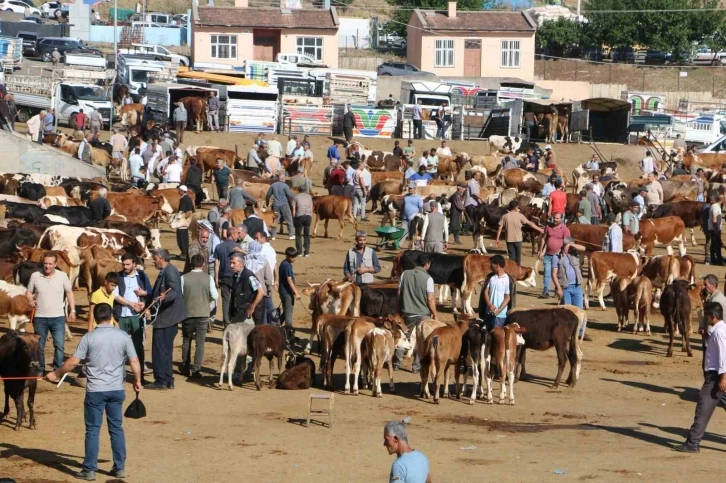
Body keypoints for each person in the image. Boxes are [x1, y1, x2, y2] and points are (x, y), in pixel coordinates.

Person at [44, 303, 142, 481]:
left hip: (96, 391)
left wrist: (55, 373)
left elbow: (73, 362)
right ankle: (119, 468)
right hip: (116, 389)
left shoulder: (89, 338)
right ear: (111, 317)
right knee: (116, 428)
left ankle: (89, 470)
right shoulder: (123, 336)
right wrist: (137, 380)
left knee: (93, 430)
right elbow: (134, 361)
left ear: (95, 318)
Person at [674, 302, 726, 453]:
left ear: (713, 316)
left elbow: (724, 357)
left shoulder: (719, 333)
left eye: (707, 316)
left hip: (717, 377)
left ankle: (692, 443)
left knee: (703, 407)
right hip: (717, 376)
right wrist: (706, 335)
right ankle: (692, 442)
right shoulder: (719, 330)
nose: (705, 318)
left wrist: (723, 378)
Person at [25, 252, 75, 373]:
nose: (47, 266)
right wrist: (30, 299)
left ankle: (57, 370)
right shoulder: (35, 276)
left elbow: (69, 293)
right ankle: (40, 369)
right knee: (40, 346)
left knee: (59, 345)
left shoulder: (62, 276)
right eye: (45, 263)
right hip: (40, 317)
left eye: (50, 264)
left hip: (58, 317)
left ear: (55, 264)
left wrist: (72, 310)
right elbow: (28, 291)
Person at [146, 248, 186, 390]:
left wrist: (165, 297)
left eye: (155, 258)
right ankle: (168, 379)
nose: (153, 261)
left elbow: (174, 291)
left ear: (162, 258)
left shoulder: (170, 271)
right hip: (168, 318)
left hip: (166, 318)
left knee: (160, 350)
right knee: (166, 350)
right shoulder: (167, 270)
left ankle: (161, 380)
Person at [181, 254, 218, 379]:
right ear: (203, 264)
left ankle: (185, 366)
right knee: (200, 343)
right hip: (203, 314)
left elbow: (180, 295)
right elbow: (215, 296)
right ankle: (196, 369)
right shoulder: (208, 278)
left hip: (187, 313)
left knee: (186, 340)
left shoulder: (184, 278)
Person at [113, 253, 151, 375]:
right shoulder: (118, 277)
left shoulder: (142, 276)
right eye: (123, 264)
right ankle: (121, 375)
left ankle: (140, 374)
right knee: (120, 347)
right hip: (121, 316)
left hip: (137, 317)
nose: (125, 267)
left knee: (138, 346)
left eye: (128, 264)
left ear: (134, 264)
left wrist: (144, 304)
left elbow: (149, 293)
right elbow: (115, 295)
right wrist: (131, 304)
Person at [397, 254, 436, 371]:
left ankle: (396, 363)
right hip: (423, 314)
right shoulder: (428, 279)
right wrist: (434, 312)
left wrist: (398, 309)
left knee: (403, 336)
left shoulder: (405, 274)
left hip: (407, 311)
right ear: (427, 264)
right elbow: (430, 299)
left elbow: (399, 294)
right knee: (421, 340)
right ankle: (416, 366)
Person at [496, 199, 544, 265]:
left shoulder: (504, 216)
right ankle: (518, 271)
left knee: (511, 257)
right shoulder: (520, 216)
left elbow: (500, 228)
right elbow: (530, 223)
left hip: (509, 240)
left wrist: (497, 239)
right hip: (518, 239)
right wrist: (540, 229)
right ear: (516, 207)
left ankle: (512, 272)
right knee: (518, 258)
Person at [538, 213, 571, 299]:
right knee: (547, 273)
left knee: (559, 274)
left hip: (558, 256)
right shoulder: (548, 227)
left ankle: (557, 290)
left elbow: (568, 243)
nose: (555, 220)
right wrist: (541, 251)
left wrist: (564, 253)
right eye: (554, 218)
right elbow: (544, 239)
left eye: (557, 218)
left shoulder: (565, 229)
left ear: (561, 219)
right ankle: (546, 291)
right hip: (548, 254)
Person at [229, 252, 265, 324]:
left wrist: (252, 307)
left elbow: (261, 292)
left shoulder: (249, 276)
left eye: (234, 263)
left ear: (241, 264)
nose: (231, 266)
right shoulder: (235, 276)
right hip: (241, 311)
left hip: (251, 313)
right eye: (231, 263)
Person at [479, 255, 512, 331]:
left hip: (500, 316)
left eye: (492, 264)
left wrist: (499, 310)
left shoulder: (507, 279)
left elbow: (507, 297)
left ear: (497, 265)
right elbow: (485, 292)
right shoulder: (491, 277)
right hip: (488, 313)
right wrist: (489, 304)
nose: (490, 266)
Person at [552, 236, 586, 309]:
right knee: (567, 311)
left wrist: (572, 244)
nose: (574, 247)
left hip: (577, 286)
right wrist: (558, 288)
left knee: (580, 310)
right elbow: (554, 274)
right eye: (571, 244)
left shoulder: (574, 253)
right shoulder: (557, 256)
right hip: (565, 287)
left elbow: (583, 248)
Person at [278, 247, 300, 327]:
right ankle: (288, 330)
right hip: (287, 292)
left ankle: (276, 325)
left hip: (283, 291)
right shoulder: (287, 265)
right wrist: (296, 292)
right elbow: (289, 280)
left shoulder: (284, 263)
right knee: (288, 312)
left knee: (286, 310)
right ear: (287, 256)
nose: (294, 259)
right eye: (292, 257)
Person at [293, 184, 313, 257]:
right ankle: (307, 252)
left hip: (299, 215)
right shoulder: (309, 197)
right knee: (307, 235)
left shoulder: (296, 197)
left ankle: (299, 251)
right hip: (308, 216)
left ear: (298, 190)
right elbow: (311, 207)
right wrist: (311, 216)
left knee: (298, 234)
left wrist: (294, 217)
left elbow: (294, 208)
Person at [176, 186, 195, 258]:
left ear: (182, 191)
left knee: (181, 237)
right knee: (184, 236)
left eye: (179, 190)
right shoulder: (188, 198)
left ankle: (184, 253)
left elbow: (182, 211)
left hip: (182, 221)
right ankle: (184, 252)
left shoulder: (184, 199)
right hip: (186, 221)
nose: (178, 191)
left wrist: (177, 218)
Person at [708, 194, 724, 266]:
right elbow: (714, 218)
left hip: (715, 228)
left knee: (714, 244)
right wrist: (716, 230)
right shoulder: (715, 207)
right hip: (715, 229)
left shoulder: (717, 206)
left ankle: (714, 260)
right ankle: (718, 261)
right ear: (722, 199)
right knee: (717, 245)